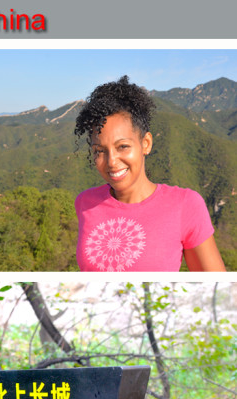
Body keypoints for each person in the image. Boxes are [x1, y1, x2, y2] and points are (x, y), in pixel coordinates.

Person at [74, 76, 225, 272]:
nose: (111, 161)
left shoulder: (186, 205)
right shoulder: (85, 203)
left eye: (123, 146)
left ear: (145, 143)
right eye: (99, 151)